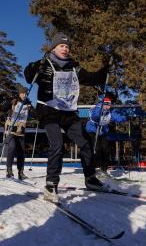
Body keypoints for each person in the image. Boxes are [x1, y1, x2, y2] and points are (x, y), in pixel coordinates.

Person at [24, 33, 110, 203]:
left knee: (85, 142)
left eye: (67, 46)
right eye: (62, 46)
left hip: (68, 112)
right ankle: (51, 184)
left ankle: (90, 178)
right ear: (54, 47)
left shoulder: (74, 67)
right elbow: (28, 76)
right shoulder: (45, 64)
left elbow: (92, 78)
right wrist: (34, 67)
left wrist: (104, 71)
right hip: (48, 110)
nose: (65, 48)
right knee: (57, 143)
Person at [86, 97, 127, 177]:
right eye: (106, 104)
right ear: (102, 104)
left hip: (103, 132)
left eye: (109, 104)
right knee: (96, 149)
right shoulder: (98, 108)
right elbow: (95, 116)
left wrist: (125, 118)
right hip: (93, 131)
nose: (108, 106)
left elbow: (116, 118)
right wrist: (101, 112)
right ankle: (96, 167)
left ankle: (104, 169)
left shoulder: (110, 111)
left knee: (106, 149)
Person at [4, 89, 32, 180]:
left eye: (26, 94)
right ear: (19, 94)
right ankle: (9, 171)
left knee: (21, 152)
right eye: (23, 93)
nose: (24, 95)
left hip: (21, 130)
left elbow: (34, 114)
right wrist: (10, 102)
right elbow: (4, 108)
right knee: (11, 148)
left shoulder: (28, 103)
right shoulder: (14, 101)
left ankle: (21, 172)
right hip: (12, 129)